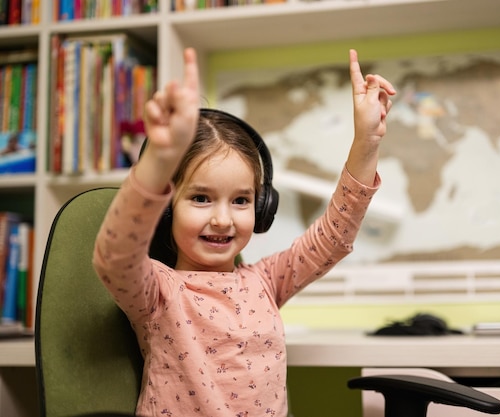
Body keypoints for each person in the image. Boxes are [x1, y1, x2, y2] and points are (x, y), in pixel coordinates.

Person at [93, 47, 395, 417]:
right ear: (168, 208)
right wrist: (158, 161)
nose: (223, 219)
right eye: (201, 198)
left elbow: (333, 236)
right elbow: (116, 255)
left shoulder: (266, 282)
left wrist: (367, 142)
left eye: (240, 201)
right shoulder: (158, 291)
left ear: (262, 208)